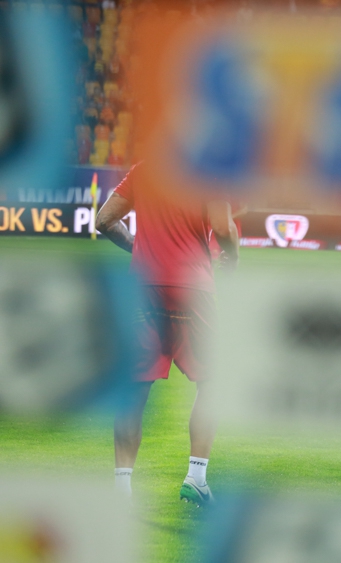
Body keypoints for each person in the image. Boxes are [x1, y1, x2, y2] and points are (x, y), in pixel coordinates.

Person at [96, 163, 239, 505]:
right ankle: (196, 478)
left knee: (134, 389)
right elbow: (223, 227)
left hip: (144, 287)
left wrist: (137, 247)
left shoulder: (144, 170)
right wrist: (232, 257)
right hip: (192, 287)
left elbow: (104, 221)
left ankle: (122, 488)